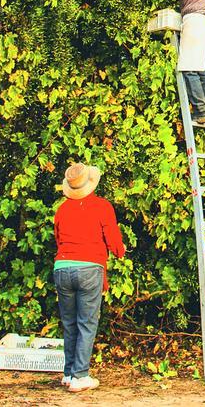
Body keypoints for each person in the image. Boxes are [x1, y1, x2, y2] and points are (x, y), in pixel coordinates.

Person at [53, 163, 126, 392]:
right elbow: (112, 237)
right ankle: (80, 376)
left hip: (62, 267)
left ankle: (68, 372)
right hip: (88, 268)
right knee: (87, 322)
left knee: (69, 322)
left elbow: (58, 238)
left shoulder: (61, 209)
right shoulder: (102, 206)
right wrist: (120, 251)